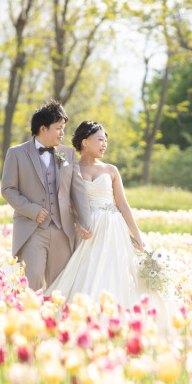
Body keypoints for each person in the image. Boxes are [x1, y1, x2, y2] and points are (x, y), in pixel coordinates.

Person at [46, 121, 174, 336]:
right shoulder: (70, 169)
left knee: (117, 269)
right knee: (89, 268)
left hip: (114, 227)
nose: (104, 144)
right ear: (85, 142)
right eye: (100, 140)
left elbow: (122, 204)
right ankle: (84, 318)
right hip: (90, 230)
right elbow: (68, 204)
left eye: (106, 140)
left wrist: (137, 235)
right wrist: (79, 224)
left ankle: (120, 320)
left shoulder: (111, 170)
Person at [1, 101, 93, 291]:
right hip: (32, 229)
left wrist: (85, 222)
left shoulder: (68, 154)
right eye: (58, 128)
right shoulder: (16, 153)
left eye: (63, 129)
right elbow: (8, 189)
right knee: (31, 279)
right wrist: (32, 210)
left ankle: (53, 319)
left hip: (63, 229)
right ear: (43, 128)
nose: (62, 133)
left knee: (60, 284)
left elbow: (78, 191)